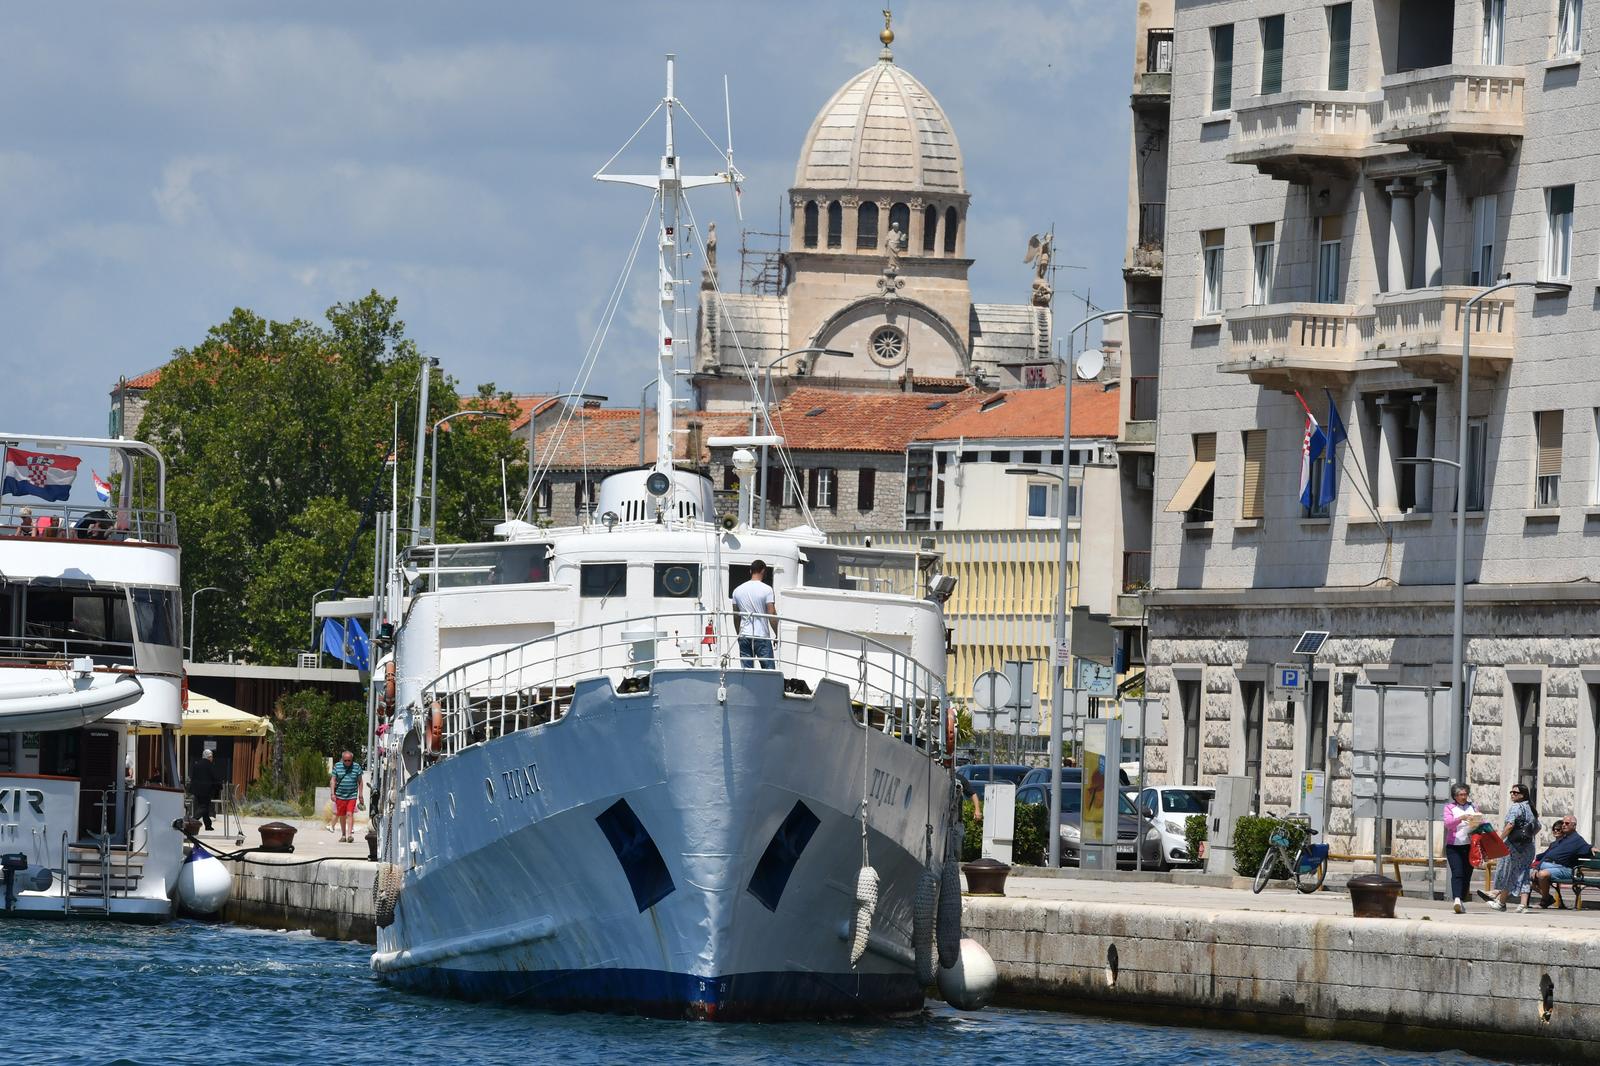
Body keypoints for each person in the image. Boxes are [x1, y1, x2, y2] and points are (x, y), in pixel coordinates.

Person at [1488, 783, 1540, 913]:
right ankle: (1523, 905)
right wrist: (1527, 835)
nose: (1512, 794)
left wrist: (1499, 840)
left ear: (1522, 795)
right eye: (1511, 792)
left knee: (1510, 872)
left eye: (1515, 793)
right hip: (1528, 846)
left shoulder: (1516, 807)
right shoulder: (1531, 808)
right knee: (1524, 872)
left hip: (1514, 845)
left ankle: (1501, 902)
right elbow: (1538, 827)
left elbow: (1510, 825)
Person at [1530, 815, 1592, 909]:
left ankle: (1545, 900)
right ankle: (1547, 897)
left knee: (1542, 874)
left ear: (1574, 825)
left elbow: (1588, 847)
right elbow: (1547, 855)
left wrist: (1592, 848)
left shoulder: (1578, 840)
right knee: (1525, 875)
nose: (1564, 825)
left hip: (1565, 869)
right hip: (1549, 866)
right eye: (1563, 823)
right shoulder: (1561, 839)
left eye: (1567, 823)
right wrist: (1536, 868)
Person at [1442, 782, 1482, 913]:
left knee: (1467, 874)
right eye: (1460, 795)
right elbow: (1448, 824)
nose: (1463, 797)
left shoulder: (1473, 807)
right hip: (1454, 846)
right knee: (1457, 872)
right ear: (1455, 796)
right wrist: (1461, 818)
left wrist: (1480, 822)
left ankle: (1462, 899)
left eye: (1465, 794)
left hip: (1470, 846)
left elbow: (1481, 821)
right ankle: (1457, 899)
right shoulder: (1449, 808)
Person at [731, 560, 776, 669]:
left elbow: (736, 616)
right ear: (763, 571)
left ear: (750, 571)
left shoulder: (737, 590)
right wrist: (777, 634)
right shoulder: (767, 589)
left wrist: (738, 634)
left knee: (746, 672)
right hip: (761, 636)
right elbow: (772, 614)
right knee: (769, 672)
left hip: (744, 635)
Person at [329, 750, 364, 843]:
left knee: (349, 814)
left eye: (349, 760)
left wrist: (360, 795)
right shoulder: (337, 766)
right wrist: (332, 793)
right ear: (342, 759)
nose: (347, 762)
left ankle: (349, 835)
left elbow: (360, 781)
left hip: (352, 795)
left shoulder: (356, 767)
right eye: (345, 760)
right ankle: (343, 835)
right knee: (342, 815)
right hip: (340, 795)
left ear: (352, 759)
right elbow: (333, 780)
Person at [188, 748, 219, 832]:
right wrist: (218, 787)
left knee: (203, 806)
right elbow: (214, 777)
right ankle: (193, 820)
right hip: (206, 790)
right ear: (209, 757)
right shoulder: (210, 765)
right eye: (211, 757)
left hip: (197, 790)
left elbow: (193, 777)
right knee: (204, 807)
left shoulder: (197, 764)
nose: (212, 758)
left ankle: (208, 825)